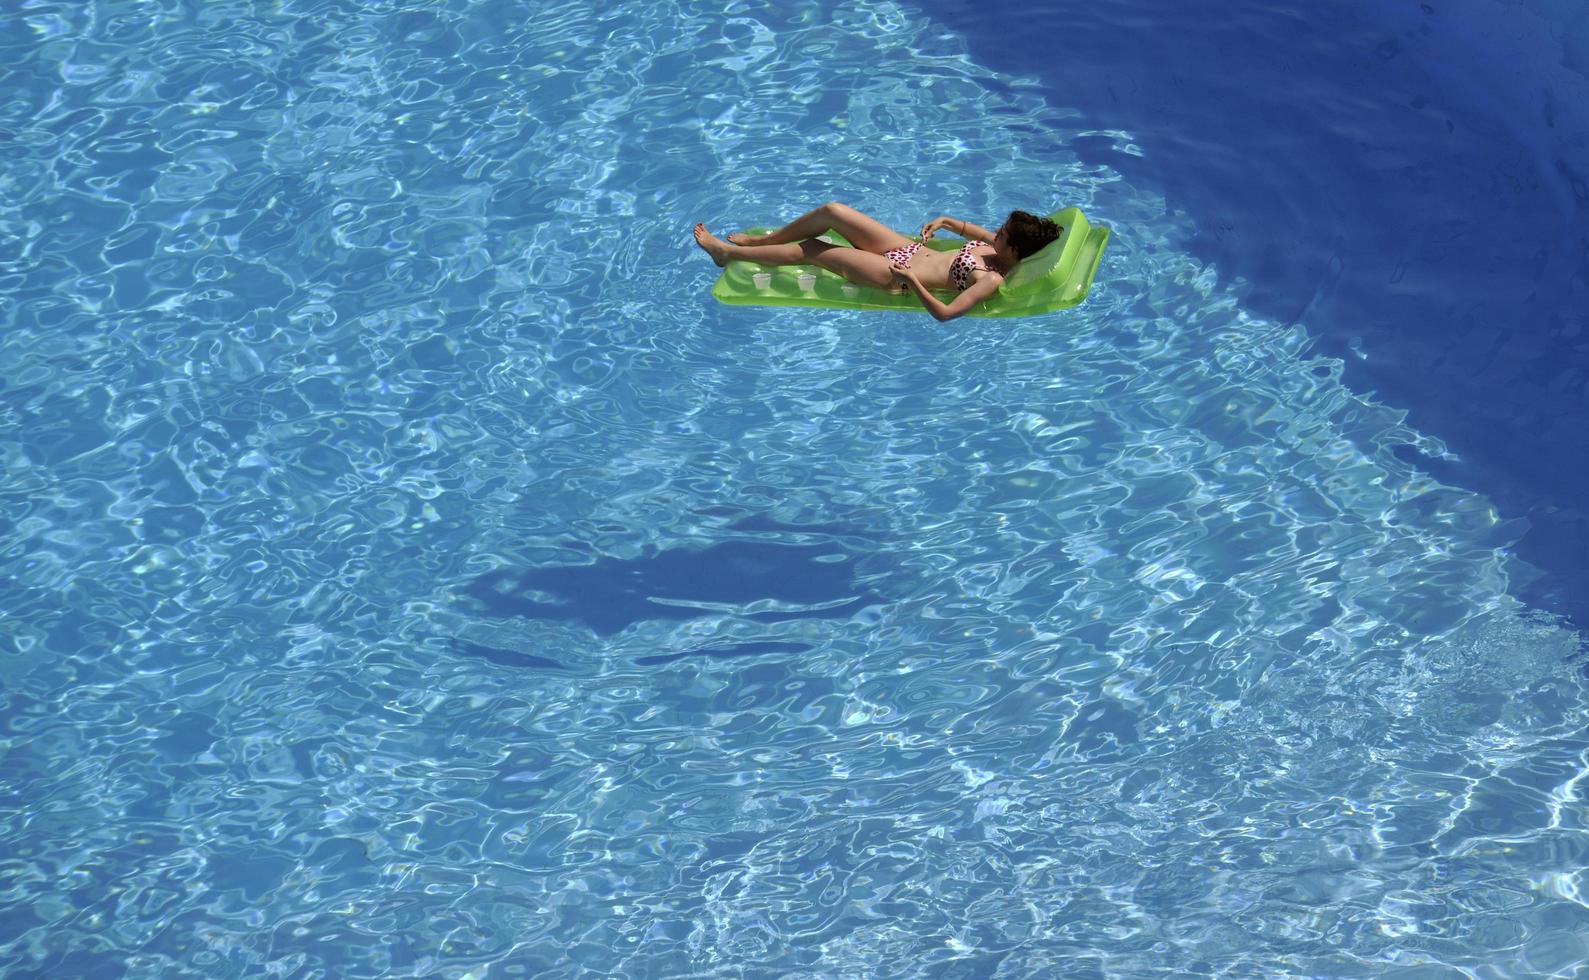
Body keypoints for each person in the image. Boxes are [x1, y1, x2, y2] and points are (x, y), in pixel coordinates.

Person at [692, 202, 1061, 321]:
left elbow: (946, 315)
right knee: (833, 211)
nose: (993, 233)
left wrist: (912, 282)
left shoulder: (991, 279)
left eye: (1002, 234)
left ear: (1014, 251)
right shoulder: (994, 248)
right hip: (907, 249)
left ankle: (727, 254)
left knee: (814, 249)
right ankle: (766, 241)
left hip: (895, 276)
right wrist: (947, 222)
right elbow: (971, 231)